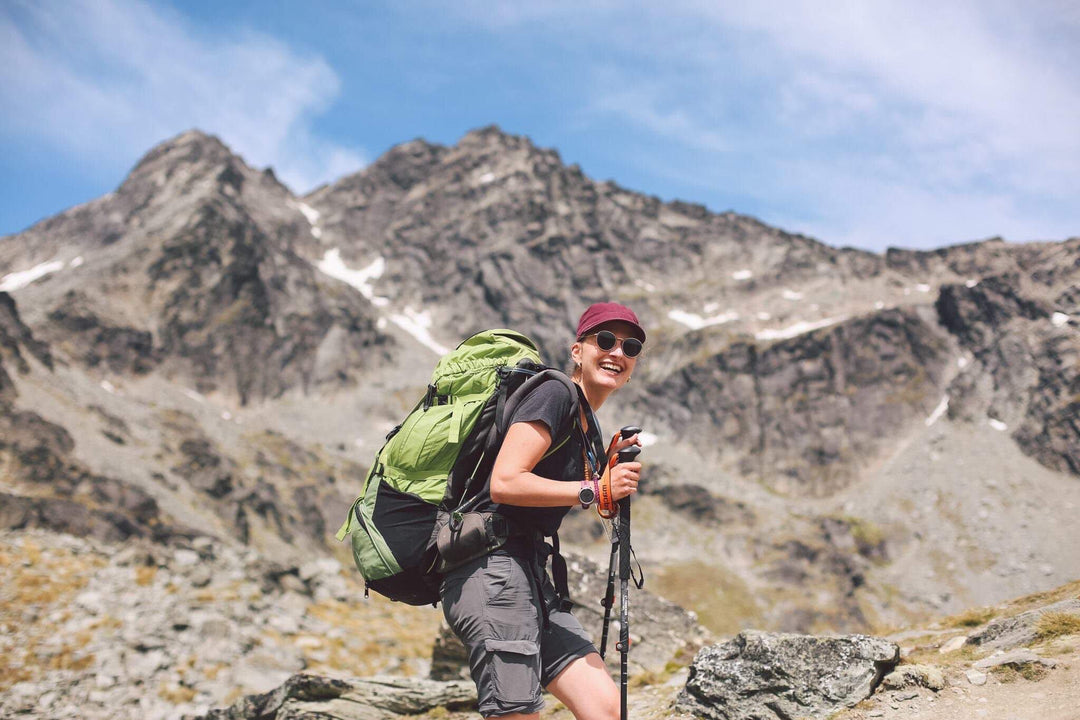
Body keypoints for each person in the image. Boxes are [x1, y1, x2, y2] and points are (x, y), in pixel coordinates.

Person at [439, 302, 646, 719]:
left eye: (631, 346)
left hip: (533, 575)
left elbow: (576, 496)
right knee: (517, 713)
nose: (617, 353)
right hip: (491, 567)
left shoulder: (587, 421)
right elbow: (506, 481)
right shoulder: (554, 393)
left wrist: (604, 480)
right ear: (577, 351)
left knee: (607, 710)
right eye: (604, 341)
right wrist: (593, 489)